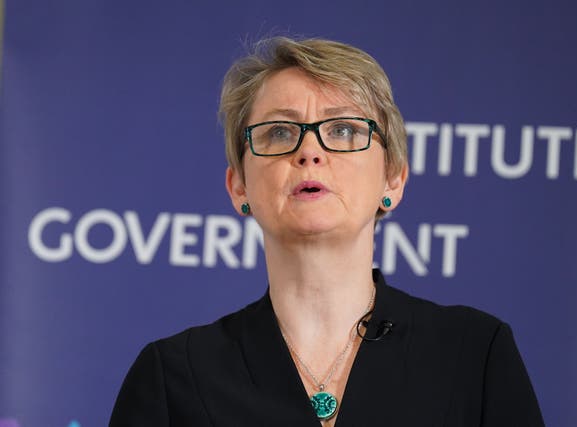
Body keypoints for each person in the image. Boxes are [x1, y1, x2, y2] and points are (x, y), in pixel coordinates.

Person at [109, 36, 544, 426]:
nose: (310, 151)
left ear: (393, 179)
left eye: (343, 129)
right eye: (280, 131)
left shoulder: (474, 353)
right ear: (238, 185)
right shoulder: (173, 375)